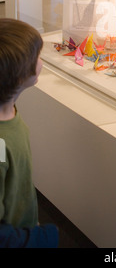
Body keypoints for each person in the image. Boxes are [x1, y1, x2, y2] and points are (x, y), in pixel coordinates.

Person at [0, 18, 59, 248]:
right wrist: (37, 239)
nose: (42, 63)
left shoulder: (8, 109)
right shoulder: (1, 143)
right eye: (37, 57)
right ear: (19, 78)